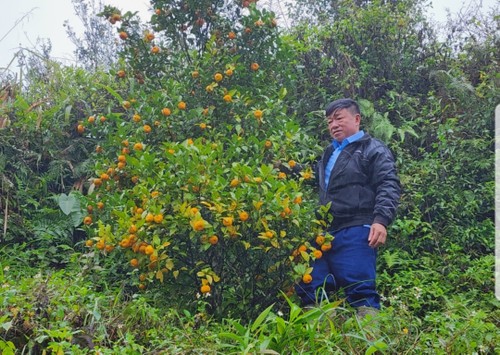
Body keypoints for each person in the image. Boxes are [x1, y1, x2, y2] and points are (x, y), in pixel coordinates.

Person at [295, 98, 401, 316]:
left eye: (338, 118)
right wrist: (287, 168)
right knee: (311, 285)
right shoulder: (329, 153)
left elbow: (388, 183)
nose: (333, 125)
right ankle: (321, 344)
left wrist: (380, 221)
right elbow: (314, 177)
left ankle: (367, 344)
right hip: (324, 233)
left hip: (356, 228)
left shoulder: (373, 149)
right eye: (329, 121)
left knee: (360, 289)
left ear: (357, 119)